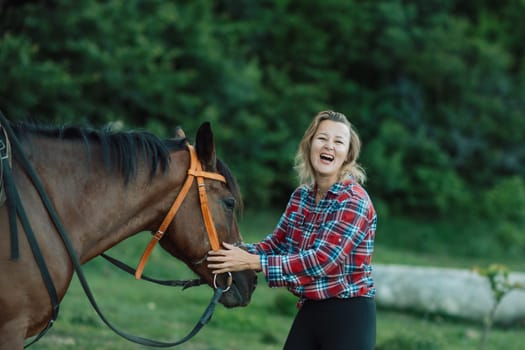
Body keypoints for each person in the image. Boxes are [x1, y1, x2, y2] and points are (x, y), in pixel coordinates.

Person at [207, 110, 377, 350]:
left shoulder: (354, 200)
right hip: (310, 309)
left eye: (338, 142)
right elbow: (276, 244)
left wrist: (252, 262)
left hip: (348, 315)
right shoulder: (302, 196)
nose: (329, 146)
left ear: (347, 154)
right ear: (309, 144)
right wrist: (228, 253)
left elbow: (321, 261)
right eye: (322, 138)